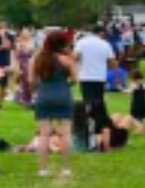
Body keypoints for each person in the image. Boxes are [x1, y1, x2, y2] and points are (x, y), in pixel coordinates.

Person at [31, 30, 77, 177]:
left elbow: (31, 81)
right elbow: (75, 80)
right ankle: (67, 168)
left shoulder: (37, 59)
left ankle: (43, 169)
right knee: (66, 134)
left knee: (44, 135)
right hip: (63, 95)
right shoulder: (67, 59)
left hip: (44, 95)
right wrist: (65, 83)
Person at [73, 25, 117, 151]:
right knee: (98, 101)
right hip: (99, 77)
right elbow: (112, 62)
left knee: (88, 102)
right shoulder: (105, 44)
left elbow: (75, 57)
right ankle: (102, 125)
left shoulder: (81, 42)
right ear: (101, 33)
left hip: (85, 77)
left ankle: (91, 124)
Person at [14, 29, 35, 106]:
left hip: (31, 63)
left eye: (27, 33)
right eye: (24, 33)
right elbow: (16, 57)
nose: (25, 35)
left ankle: (30, 99)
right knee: (24, 82)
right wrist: (17, 68)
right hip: (22, 64)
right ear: (21, 34)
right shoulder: (18, 43)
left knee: (31, 82)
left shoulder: (32, 42)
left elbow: (34, 54)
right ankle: (24, 99)